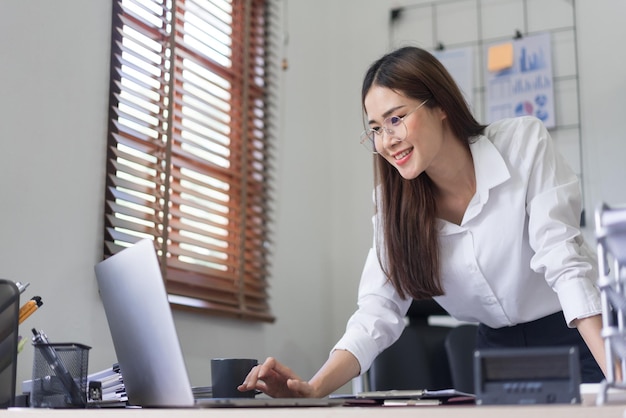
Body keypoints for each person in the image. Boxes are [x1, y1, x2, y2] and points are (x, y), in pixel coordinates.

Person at [238, 46, 606, 398]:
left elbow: (565, 265)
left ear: (440, 105)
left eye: (396, 118)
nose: (387, 140)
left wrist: (618, 378)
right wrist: (314, 387)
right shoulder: (392, 204)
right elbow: (377, 309)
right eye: (377, 128)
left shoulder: (523, 144)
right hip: (496, 352)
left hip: (576, 333)